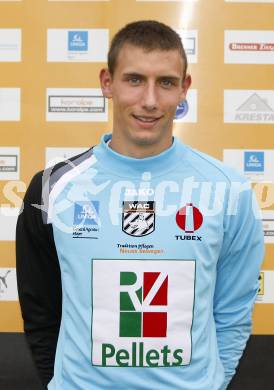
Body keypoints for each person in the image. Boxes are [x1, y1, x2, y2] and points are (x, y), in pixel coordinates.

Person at [16, 20, 264, 390]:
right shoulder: (53, 187)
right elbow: (42, 310)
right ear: (107, 83)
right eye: (134, 79)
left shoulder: (228, 189)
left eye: (165, 82)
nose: (150, 100)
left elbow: (232, 312)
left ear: (184, 89)